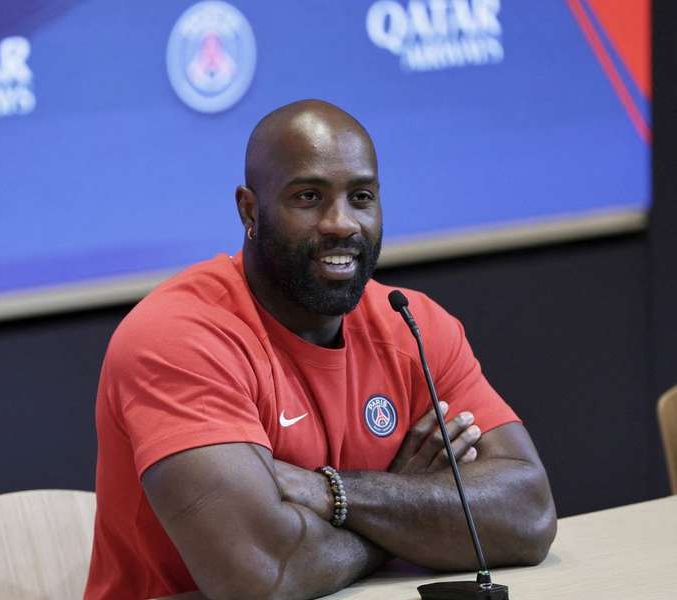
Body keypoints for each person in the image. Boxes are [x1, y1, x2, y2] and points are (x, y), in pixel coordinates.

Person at [85, 100, 556, 600]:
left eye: (361, 196)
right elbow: (263, 577)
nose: (342, 223)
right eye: (309, 197)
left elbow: (529, 514)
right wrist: (402, 512)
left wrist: (333, 492)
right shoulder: (178, 338)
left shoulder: (413, 324)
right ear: (250, 210)